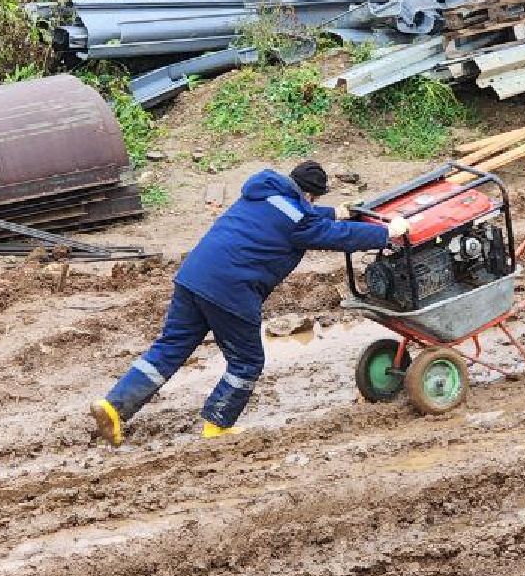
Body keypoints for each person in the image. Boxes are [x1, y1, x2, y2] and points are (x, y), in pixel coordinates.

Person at [90, 160, 408, 445]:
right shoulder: (299, 218)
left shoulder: (263, 194)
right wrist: (386, 234)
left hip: (192, 278)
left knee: (170, 346)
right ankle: (217, 423)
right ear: (310, 195)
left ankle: (114, 407)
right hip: (231, 291)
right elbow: (332, 235)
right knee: (247, 362)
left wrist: (337, 212)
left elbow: (302, 218)